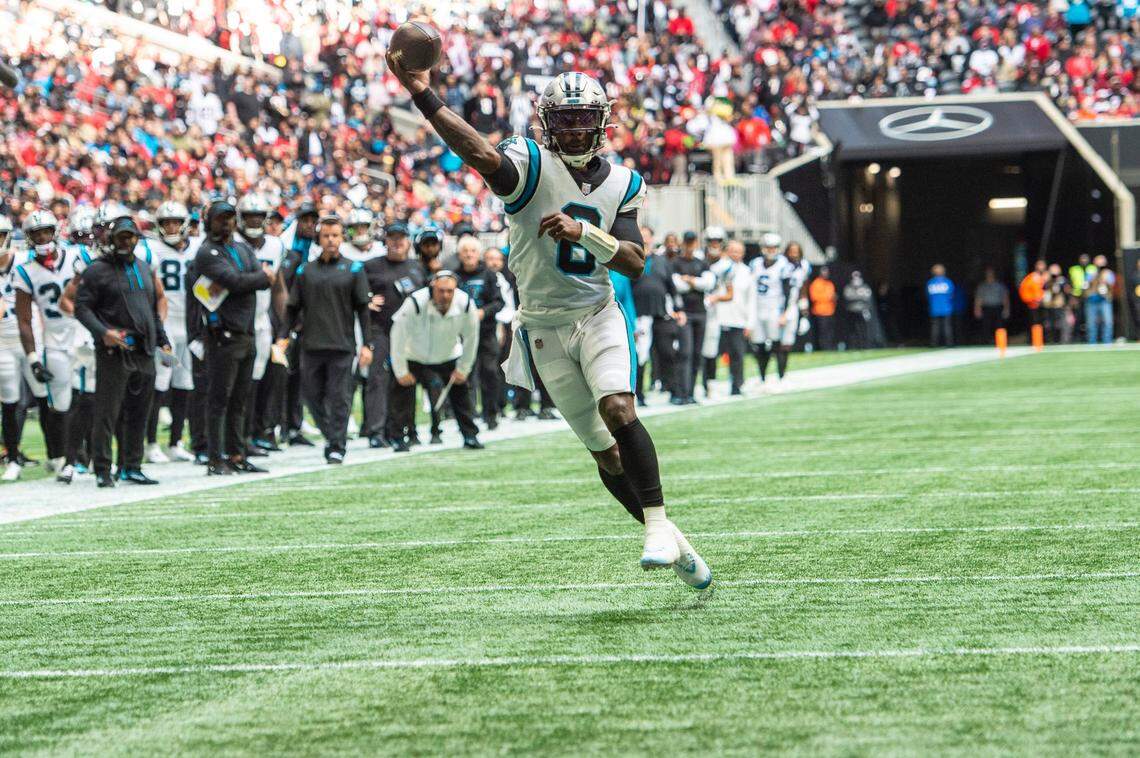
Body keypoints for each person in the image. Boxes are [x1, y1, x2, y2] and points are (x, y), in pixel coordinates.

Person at [390, 58, 710, 589]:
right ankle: (675, 543)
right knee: (604, 454)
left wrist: (584, 234)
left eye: (584, 118)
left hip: (597, 313)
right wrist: (424, 94)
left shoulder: (625, 181)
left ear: (603, 122)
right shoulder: (530, 163)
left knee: (618, 407)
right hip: (542, 326)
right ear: (546, 122)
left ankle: (654, 523)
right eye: (565, 119)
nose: (576, 128)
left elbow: (634, 260)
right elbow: (480, 152)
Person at [73, 217, 171, 488]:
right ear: (111, 239)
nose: (126, 242)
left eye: (130, 237)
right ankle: (103, 468)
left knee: (140, 412)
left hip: (144, 348)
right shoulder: (97, 270)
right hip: (114, 352)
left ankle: (132, 465)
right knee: (108, 412)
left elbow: (151, 310)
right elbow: (81, 307)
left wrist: (162, 341)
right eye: (121, 237)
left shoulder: (143, 267)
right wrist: (104, 333)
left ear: (137, 239)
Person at [193, 200, 274, 476]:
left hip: (247, 332)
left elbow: (243, 278)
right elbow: (238, 281)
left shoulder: (241, 248)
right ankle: (215, 457)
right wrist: (261, 277)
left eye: (229, 218)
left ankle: (237, 453)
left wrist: (251, 277)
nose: (226, 223)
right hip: (223, 335)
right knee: (219, 399)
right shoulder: (206, 253)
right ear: (209, 222)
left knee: (240, 398)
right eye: (220, 219)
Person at [285, 216, 373, 464]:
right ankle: (331, 433)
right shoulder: (305, 270)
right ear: (319, 239)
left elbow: (363, 309)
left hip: (342, 345)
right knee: (311, 396)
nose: (331, 240)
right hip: (311, 344)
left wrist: (368, 344)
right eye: (326, 236)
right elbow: (292, 307)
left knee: (339, 397)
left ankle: (336, 444)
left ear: (342, 238)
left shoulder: (354, 269)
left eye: (335, 235)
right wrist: (283, 336)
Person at [12, 210, 91, 482]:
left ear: (55, 232)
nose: (43, 237)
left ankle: (86, 457)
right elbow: (24, 318)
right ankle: (62, 459)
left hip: (84, 334)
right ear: (29, 237)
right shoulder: (25, 269)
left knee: (89, 398)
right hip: (54, 341)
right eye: (36, 233)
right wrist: (33, 358)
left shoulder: (78, 255)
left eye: (46, 231)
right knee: (60, 405)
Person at [388, 271, 482, 452]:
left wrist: (464, 368)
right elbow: (397, 335)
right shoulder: (414, 302)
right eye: (441, 291)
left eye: (449, 291)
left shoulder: (465, 303)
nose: (445, 295)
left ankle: (470, 435)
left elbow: (472, 338)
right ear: (432, 288)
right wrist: (400, 371)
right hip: (413, 355)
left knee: (462, 395)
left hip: (448, 355)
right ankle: (399, 438)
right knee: (401, 398)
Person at [144, 201, 200, 464]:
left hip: (188, 327)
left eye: (176, 222)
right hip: (165, 326)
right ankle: (151, 442)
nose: (171, 227)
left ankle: (176, 441)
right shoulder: (152, 250)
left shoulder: (197, 249)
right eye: (166, 223)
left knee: (184, 385)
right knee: (160, 384)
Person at [361, 220, 426, 446]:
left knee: (406, 381)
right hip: (381, 330)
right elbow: (357, 293)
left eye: (401, 238)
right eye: (392, 238)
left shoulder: (416, 267)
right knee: (378, 381)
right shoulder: (370, 266)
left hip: (410, 333)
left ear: (408, 242)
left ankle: (405, 428)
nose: (396, 242)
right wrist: (366, 301)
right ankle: (376, 432)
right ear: (385, 241)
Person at [235, 193, 288, 456]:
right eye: (249, 216)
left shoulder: (275, 246)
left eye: (258, 216)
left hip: (262, 320)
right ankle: (237, 438)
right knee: (239, 383)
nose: (254, 221)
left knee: (259, 380)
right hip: (235, 321)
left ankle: (254, 433)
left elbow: (278, 288)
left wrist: (285, 323)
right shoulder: (231, 244)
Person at [0, 214, 48, 482]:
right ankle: (13, 456)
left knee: (44, 395)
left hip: (31, 336)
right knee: (9, 399)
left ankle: (57, 454)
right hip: (3, 341)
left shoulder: (25, 263)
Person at [279, 202, 320, 446]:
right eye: (305, 220)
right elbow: (283, 287)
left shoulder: (312, 248)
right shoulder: (286, 247)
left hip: (306, 319)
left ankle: (294, 425)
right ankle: (281, 424)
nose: (309, 225)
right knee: (284, 374)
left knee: (298, 376)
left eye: (312, 220)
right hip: (289, 318)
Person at [454, 235, 505, 427]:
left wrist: (483, 312)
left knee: (490, 372)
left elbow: (499, 302)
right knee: (466, 373)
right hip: (462, 334)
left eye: (472, 251)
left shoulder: (489, 275)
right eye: (465, 251)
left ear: (478, 254)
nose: (469, 254)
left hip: (486, 332)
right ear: (459, 254)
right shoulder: (455, 276)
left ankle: (491, 413)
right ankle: (469, 412)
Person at [632, 233, 687, 403]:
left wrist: (679, 309)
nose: (645, 240)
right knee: (641, 355)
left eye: (647, 237)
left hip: (661, 314)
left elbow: (672, 287)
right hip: (641, 315)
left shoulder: (662, 261)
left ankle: (674, 391)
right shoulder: (630, 259)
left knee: (668, 353)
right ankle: (638, 394)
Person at [748, 232, 799, 390]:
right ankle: (762, 377)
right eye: (768, 247)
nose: (771, 250)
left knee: (777, 344)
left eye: (774, 247)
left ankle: (781, 376)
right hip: (758, 308)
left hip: (775, 309)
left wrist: (785, 312)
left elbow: (788, 290)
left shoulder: (784, 265)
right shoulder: (755, 264)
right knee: (759, 345)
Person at [671, 230, 715, 403]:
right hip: (685, 313)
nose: (690, 246)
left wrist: (689, 280)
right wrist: (696, 282)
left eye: (692, 242)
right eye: (687, 242)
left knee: (697, 354)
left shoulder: (702, 263)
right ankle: (682, 393)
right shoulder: (676, 262)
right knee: (685, 353)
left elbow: (708, 283)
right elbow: (677, 286)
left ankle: (690, 392)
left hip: (700, 313)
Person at [713, 240, 751, 394]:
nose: (735, 254)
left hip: (739, 319)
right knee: (713, 354)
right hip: (718, 318)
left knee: (737, 355)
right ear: (727, 251)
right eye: (732, 250)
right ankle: (710, 385)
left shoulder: (747, 271)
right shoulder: (718, 268)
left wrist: (749, 323)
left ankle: (737, 385)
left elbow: (751, 299)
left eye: (738, 251)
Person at [973, 267, 1009, 342]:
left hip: (997, 306)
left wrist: (1006, 309)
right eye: (988, 273)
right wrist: (977, 309)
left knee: (999, 325)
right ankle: (987, 340)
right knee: (986, 325)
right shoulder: (982, 286)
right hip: (986, 307)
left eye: (991, 273)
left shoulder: (999, 285)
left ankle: (1000, 340)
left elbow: (1005, 298)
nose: (989, 275)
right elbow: (978, 298)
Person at [1085, 255, 1115, 344]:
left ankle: (1107, 342)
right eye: (1098, 261)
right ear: (1094, 262)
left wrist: (1105, 279)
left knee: (1108, 322)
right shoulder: (1090, 272)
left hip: (1104, 300)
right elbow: (1085, 284)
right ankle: (1092, 343)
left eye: (1102, 262)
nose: (1100, 264)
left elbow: (1112, 284)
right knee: (1091, 324)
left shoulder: (1108, 272)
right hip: (1092, 300)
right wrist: (1095, 276)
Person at [809, 266, 838, 351]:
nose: (826, 274)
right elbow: (814, 297)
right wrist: (829, 297)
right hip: (820, 312)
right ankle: (823, 348)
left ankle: (830, 347)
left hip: (830, 311)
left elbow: (833, 295)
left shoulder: (830, 284)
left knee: (830, 331)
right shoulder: (816, 283)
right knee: (822, 332)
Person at [843, 271, 874, 349]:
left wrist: (857, 297)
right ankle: (854, 346)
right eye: (854, 277)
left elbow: (867, 298)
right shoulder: (848, 287)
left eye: (857, 276)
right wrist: (858, 297)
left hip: (862, 311)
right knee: (853, 330)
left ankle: (865, 345)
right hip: (852, 311)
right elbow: (848, 297)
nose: (856, 279)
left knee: (863, 329)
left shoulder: (865, 287)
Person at [926, 263, 955, 347]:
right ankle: (949, 344)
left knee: (935, 327)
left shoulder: (930, 283)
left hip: (934, 308)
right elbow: (951, 295)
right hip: (946, 307)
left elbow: (928, 295)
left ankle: (934, 344)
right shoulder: (947, 282)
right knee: (947, 326)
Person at [1019, 259, 1047, 332]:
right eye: (1040, 265)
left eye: (1043, 265)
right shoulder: (1030, 278)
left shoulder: (1046, 277)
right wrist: (1033, 299)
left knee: (1045, 324)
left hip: (1045, 305)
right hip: (1033, 305)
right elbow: (1023, 291)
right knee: (1034, 324)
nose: (1042, 267)